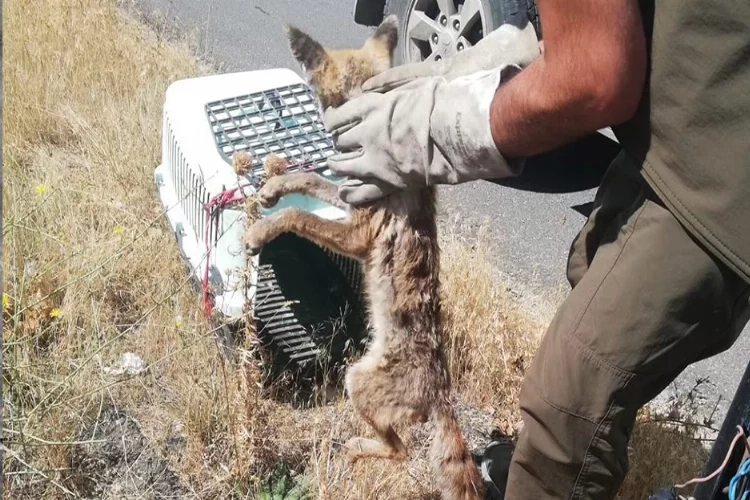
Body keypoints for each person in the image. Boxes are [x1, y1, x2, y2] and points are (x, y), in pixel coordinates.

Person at [322, 0, 750, 498]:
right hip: (678, 113)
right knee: (589, 269)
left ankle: (549, 474)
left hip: (720, 166)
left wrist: (437, 130)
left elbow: (594, 78)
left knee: (568, 398)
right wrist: (522, 50)